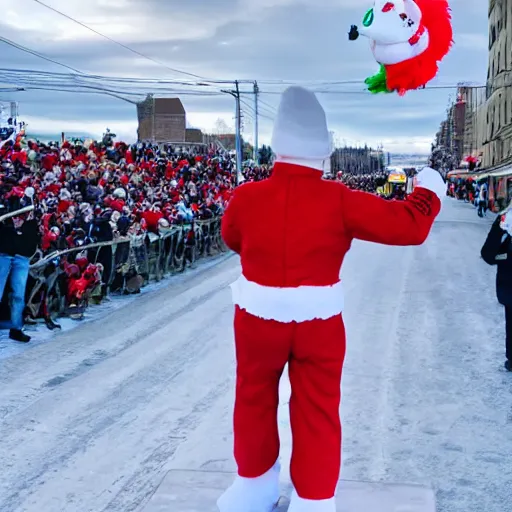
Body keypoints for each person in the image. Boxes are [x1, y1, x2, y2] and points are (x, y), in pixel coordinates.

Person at [217, 86, 446, 512]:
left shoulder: (246, 197)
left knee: (252, 397)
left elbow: (232, 238)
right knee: (318, 408)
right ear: (323, 150)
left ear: (276, 147)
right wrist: (428, 188)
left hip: (257, 316)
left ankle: (254, 487)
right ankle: (314, 498)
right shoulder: (338, 199)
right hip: (318, 321)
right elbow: (409, 227)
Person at [0, 207, 40, 343]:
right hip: (4, 257)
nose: (16, 219)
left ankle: (16, 329)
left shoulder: (30, 226)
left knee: (19, 295)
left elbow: (31, 245)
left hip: (21, 259)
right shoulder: (4, 223)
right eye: (15, 217)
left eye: (20, 217)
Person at [481, 208, 512, 371]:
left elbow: (489, 256)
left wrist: (505, 257)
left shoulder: (504, 220)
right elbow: (488, 255)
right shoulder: (504, 220)